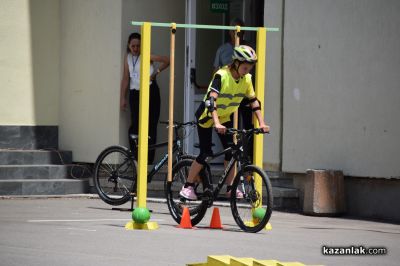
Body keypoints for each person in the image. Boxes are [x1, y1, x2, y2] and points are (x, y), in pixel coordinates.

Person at [179, 45, 270, 200]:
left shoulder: (247, 79)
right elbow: (211, 100)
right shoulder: (222, 75)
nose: (248, 70)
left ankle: (230, 188)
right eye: (246, 66)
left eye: (251, 67)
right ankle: (187, 186)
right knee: (205, 153)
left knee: (232, 151)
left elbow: (253, 101)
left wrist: (261, 122)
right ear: (236, 63)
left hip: (224, 117)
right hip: (207, 117)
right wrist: (216, 123)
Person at [120, 32, 170, 164]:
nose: (136, 48)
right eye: (133, 46)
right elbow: (126, 78)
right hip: (135, 93)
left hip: (150, 91)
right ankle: (135, 158)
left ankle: (148, 160)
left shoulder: (147, 55)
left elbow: (167, 60)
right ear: (129, 46)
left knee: (151, 126)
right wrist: (122, 98)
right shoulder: (128, 58)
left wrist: (155, 73)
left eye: (138, 46)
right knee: (135, 125)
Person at [213, 18, 255, 162]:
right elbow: (215, 73)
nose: (238, 34)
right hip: (227, 96)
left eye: (241, 31)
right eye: (235, 30)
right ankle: (229, 156)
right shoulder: (223, 50)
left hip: (242, 93)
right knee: (228, 127)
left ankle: (247, 158)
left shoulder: (249, 48)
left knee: (248, 126)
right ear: (230, 32)